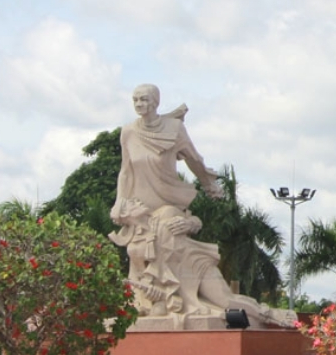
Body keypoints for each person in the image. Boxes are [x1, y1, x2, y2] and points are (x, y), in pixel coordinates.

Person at [110, 84, 293, 328]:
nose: (139, 104)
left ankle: (260, 313)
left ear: (155, 102)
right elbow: (125, 171)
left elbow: (194, 159)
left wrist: (209, 185)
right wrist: (119, 202)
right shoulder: (128, 133)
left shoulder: (174, 128)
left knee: (167, 233)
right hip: (140, 208)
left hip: (168, 204)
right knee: (138, 249)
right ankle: (153, 303)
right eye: (135, 100)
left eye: (144, 99)